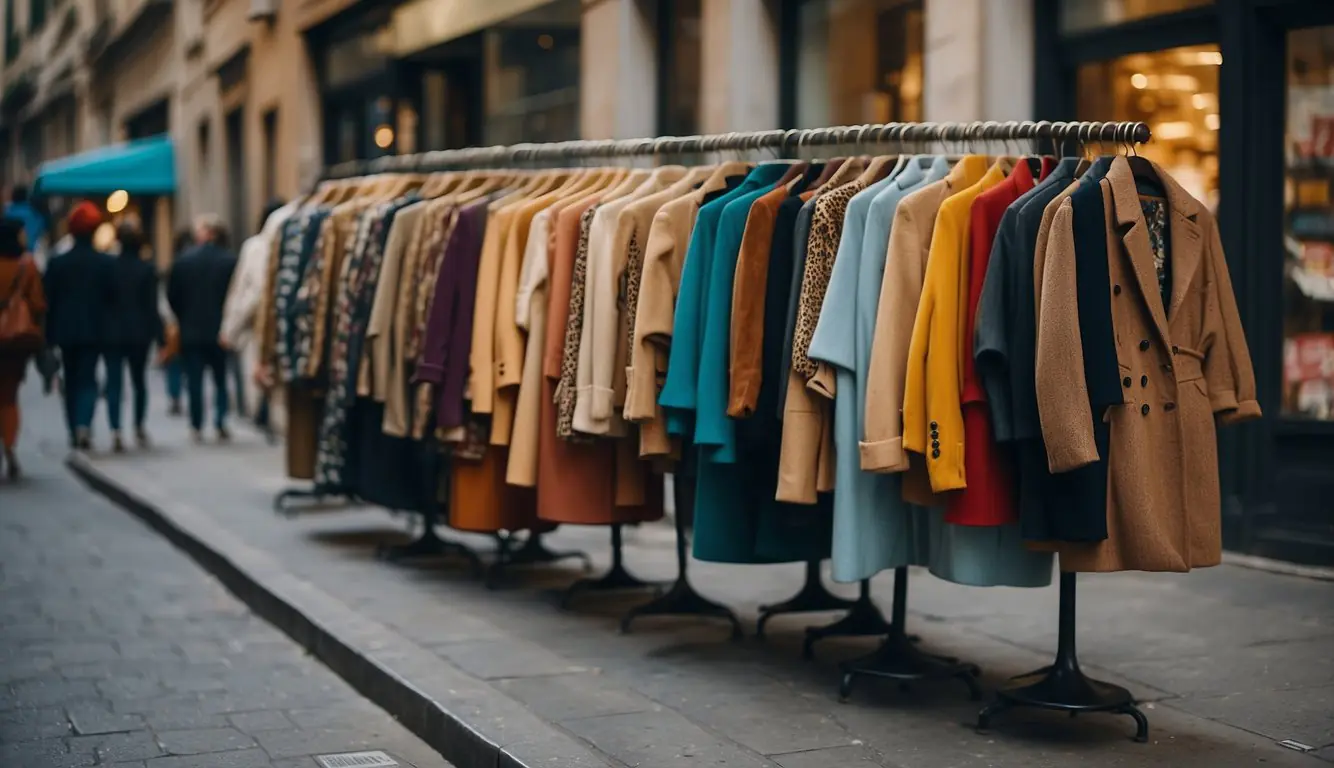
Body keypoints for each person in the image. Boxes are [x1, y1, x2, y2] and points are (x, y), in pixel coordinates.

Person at [42, 202, 114, 450]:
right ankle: (83, 423)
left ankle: (74, 426)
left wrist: (48, 336)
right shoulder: (105, 264)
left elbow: (47, 301)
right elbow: (111, 300)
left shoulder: (58, 263)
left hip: (65, 330)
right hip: (95, 330)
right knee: (88, 378)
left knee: (71, 379)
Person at [221, 199, 290, 433]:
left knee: (261, 387)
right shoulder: (267, 245)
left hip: (258, 327)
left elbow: (245, 292)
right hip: (275, 326)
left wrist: (230, 329)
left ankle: (262, 419)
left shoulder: (255, 246)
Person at [168, 213, 238, 443]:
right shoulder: (229, 261)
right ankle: (219, 420)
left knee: (195, 380)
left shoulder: (183, 261)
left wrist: (183, 317)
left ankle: (197, 424)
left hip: (192, 329)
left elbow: (173, 296)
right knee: (220, 378)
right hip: (219, 329)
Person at [104, 215, 164, 452]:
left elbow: (104, 302)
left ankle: (115, 429)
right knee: (139, 382)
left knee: (114, 382)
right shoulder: (146, 269)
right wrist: (160, 337)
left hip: (112, 333)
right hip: (139, 332)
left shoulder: (109, 268)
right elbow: (152, 306)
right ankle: (138, 425)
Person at [0, 218, 47, 479]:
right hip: (14, 340)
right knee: (8, 396)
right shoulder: (26, 265)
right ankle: (8, 446)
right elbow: (38, 303)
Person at [5, 185, 48, 271]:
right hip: (30, 256)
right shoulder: (34, 214)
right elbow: (42, 229)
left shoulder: (7, 213)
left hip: (7, 258)